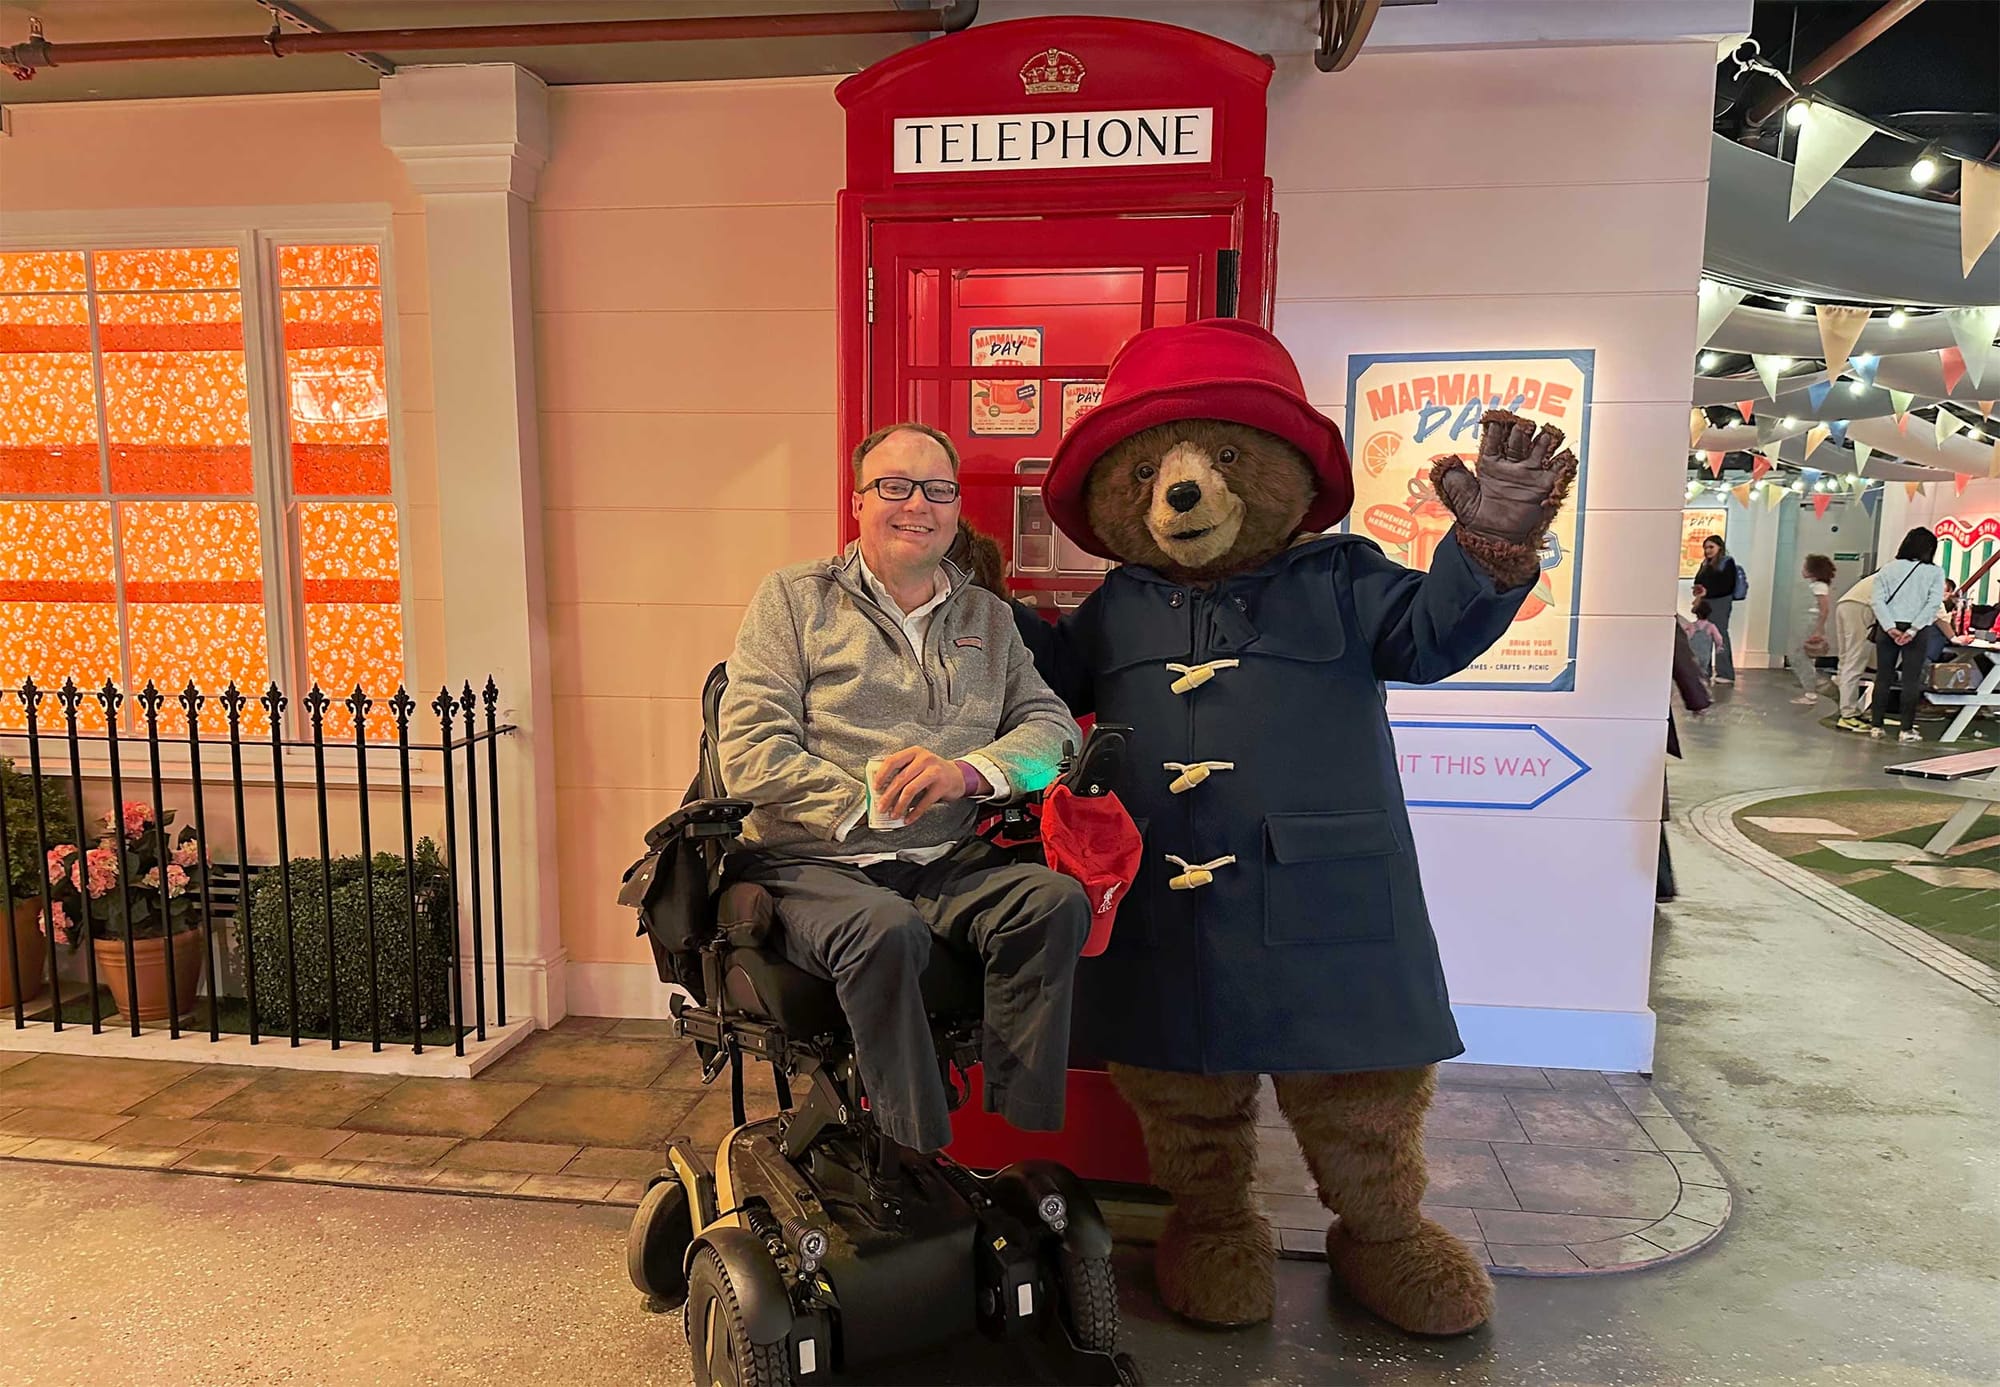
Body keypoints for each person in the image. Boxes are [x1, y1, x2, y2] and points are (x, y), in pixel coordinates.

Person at [716, 421, 1089, 1155]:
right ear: (858, 502)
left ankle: (1013, 1122)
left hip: (943, 858)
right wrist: (866, 796)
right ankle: (908, 1151)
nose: (917, 503)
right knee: (885, 929)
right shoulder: (794, 601)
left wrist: (969, 773)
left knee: (1054, 902)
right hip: (813, 862)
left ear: (955, 508)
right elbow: (749, 756)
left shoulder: (987, 616)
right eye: (894, 485)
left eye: (938, 489)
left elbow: (1057, 736)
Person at [1869, 526, 1948, 744]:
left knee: (1883, 677)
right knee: (1911, 681)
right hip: (1918, 630)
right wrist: (1913, 629)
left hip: (1888, 629)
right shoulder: (1935, 572)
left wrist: (1889, 627)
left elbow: (1877, 600)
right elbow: (1933, 604)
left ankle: (1876, 726)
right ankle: (1906, 730)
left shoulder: (1887, 569)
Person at [1690, 534, 1741, 683]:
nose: (1708, 551)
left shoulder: (1727, 562)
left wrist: (1707, 592)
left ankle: (1725, 672)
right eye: (1705, 548)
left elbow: (1727, 586)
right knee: (1704, 636)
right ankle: (1705, 670)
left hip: (1720, 602)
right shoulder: (1705, 564)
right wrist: (1699, 592)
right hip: (1705, 603)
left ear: (1720, 547)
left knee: (1719, 635)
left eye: (1711, 547)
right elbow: (1698, 581)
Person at [1832, 569, 1878, 732]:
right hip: (1862, 606)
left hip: (1845, 603)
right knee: (1856, 660)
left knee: (1846, 660)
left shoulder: (1890, 571)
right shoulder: (1911, 575)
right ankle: (1848, 715)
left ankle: (1848, 709)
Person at [1790, 553, 1836, 706]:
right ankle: (1811, 686)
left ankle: (1812, 689)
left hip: (1810, 623)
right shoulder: (1813, 586)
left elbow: (1824, 609)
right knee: (1800, 655)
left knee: (1801, 656)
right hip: (1807, 622)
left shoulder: (1819, 587)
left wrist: (1819, 629)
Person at [1683, 599, 1723, 681]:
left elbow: (1683, 631)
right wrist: (1719, 646)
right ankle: (1703, 681)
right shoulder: (1711, 626)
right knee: (1703, 669)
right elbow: (1718, 638)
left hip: (1692, 653)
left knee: (1693, 669)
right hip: (1705, 654)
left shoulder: (1691, 625)